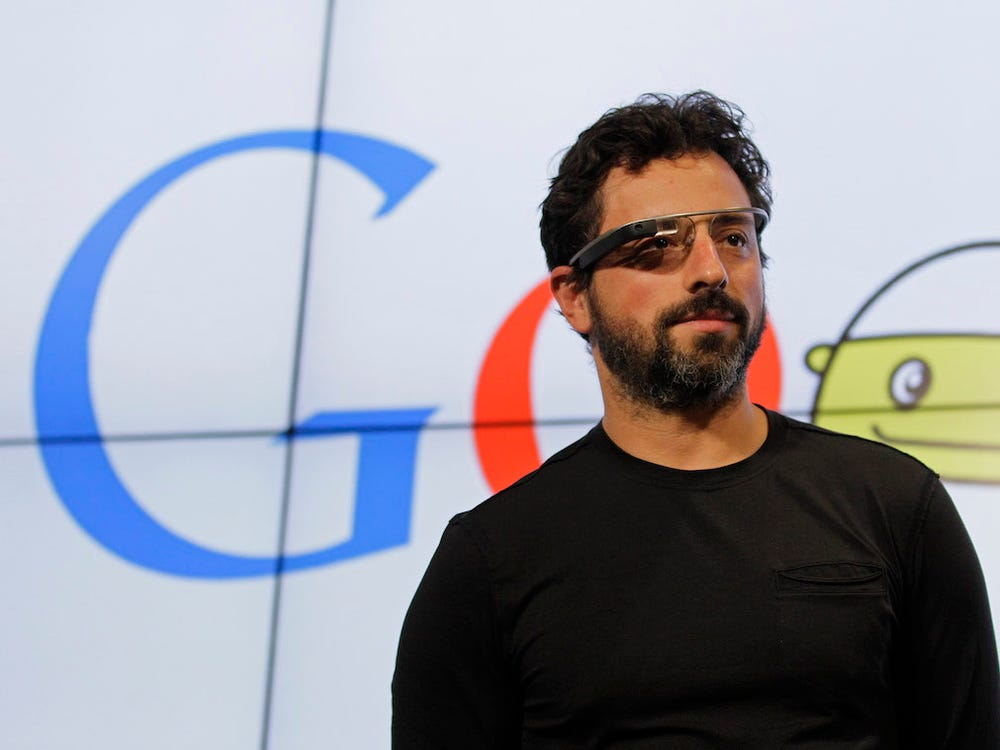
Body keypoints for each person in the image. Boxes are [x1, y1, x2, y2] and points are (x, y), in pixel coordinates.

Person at [391, 91, 1000, 748]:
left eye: (734, 238)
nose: (711, 271)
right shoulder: (491, 560)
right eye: (658, 245)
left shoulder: (894, 505)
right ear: (574, 297)